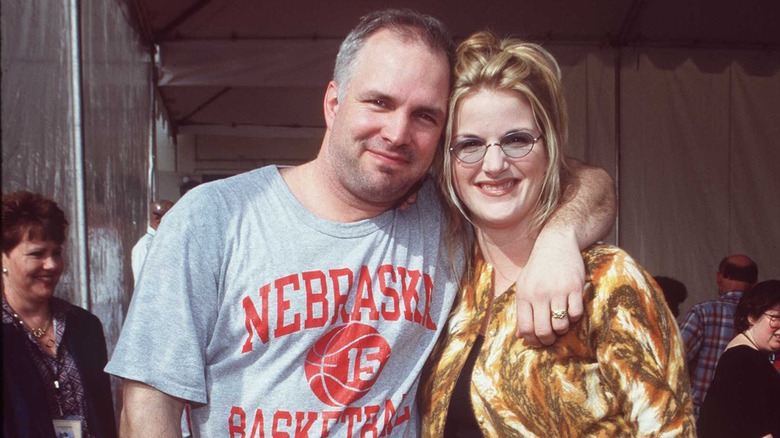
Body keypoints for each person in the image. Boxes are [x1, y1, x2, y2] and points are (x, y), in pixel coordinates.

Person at [107, 10, 615, 437]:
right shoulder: (215, 217)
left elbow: (590, 183)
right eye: (379, 102)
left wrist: (557, 238)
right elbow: (148, 401)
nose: (396, 132)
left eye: (425, 116)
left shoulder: (448, 214)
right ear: (333, 103)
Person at [418, 31, 694, 436]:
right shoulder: (449, 278)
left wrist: (558, 238)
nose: (493, 164)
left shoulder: (608, 280)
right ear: (447, 160)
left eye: (516, 140)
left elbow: (669, 427)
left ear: (550, 150)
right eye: (470, 144)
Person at [2, 191, 117, 438]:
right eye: (37, 254)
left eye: (56, 252)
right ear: (4, 257)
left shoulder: (84, 325)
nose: (52, 264)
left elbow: (104, 414)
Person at [697, 279, 780, 437]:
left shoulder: (744, 356)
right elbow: (755, 431)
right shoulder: (744, 360)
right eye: (775, 318)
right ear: (752, 317)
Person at [679, 254, 758, 416]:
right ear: (754, 283)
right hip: (746, 416)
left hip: (702, 415)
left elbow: (674, 360)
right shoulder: (763, 318)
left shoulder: (703, 312)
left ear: (718, 277)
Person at [130, 199, 173, 282]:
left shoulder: (167, 241)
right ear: (158, 219)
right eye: (171, 217)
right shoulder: (144, 247)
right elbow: (141, 283)